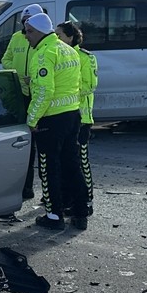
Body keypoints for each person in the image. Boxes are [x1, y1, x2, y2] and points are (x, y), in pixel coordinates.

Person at [24, 12, 88, 230]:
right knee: (72, 164)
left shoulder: (44, 53)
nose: (26, 36)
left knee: (48, 167)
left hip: (51, 119)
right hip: (72, 114)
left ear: (40, 32)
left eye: (29, 31)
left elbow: (45, 90)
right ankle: (80, 213)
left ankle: (54, 216)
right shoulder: (69, 50)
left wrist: (31, 119)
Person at [2, 4, 45, 200]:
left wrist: (33, 77)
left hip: (36, 94)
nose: (26, 25)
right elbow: (6, 59)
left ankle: (31, 188)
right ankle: (22, 187)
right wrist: (19, 76)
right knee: (22, 144)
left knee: (36, 146)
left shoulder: (42, 41)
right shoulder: (17, 38)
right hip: (20, 94)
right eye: (24, 21)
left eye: (30, 21)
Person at [56, 21, 97, 219]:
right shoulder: (58, 54)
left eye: (60, 35)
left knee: (82, 162)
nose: (57, 39)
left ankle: (86, 200)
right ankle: (68, 199)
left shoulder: (84, 58)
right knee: (67, 163)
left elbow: (89, 85)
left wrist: (65, 90)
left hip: (81, 117)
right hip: (66, 116)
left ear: (71, 37)